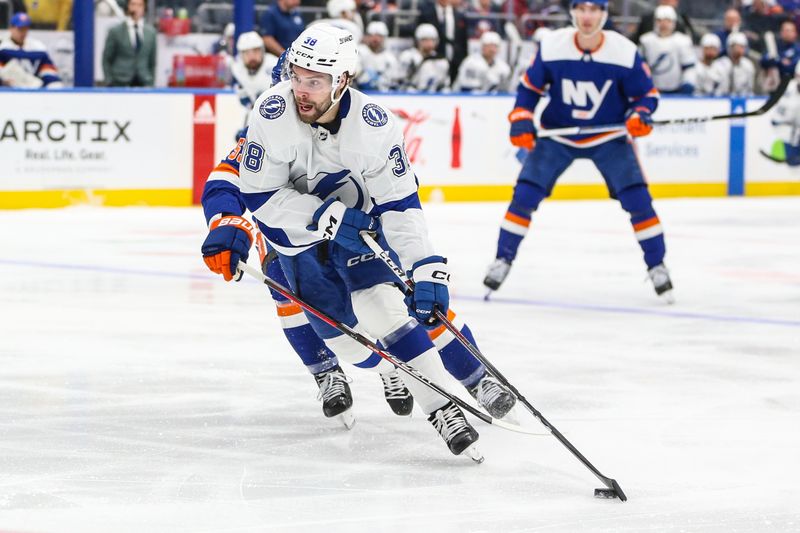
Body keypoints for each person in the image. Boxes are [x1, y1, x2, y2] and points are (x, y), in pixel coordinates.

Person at [201, 23, 514, 458]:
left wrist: (425, 263)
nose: (298, 93)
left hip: (357, 229)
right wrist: (226, 222)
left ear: (341, 81)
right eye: (293, 79)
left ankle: (456, 394)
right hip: (296, 244)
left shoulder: (373, 127)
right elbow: (244, 189)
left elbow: (401, 202)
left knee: (390, 305)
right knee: (343, 337)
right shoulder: (270, 119)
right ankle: (382, 366)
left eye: (313, 81)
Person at [483, 0, 674, 303]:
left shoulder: (623, 50)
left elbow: (646, 94)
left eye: (594, 10)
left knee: (638, 200)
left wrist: (640, 113)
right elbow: (529, 89)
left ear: (604, 13)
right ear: (572, 12)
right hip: (557, 134)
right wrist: (521, 117)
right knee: (524, 196)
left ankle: (657, 265)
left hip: (608, 135)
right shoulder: (553, 46)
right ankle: (502, 259)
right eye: (581, 9)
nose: (587, 17)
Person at [230, 31, 279, 136]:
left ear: (262, 51)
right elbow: (243, 95)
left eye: (255, 51)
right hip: (256, 117)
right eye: (246, 52)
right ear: (240, 55)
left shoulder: (275, 65)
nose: (252, 56)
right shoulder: (237, 68)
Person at [639, 5, 696, 94]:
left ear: (674, 22)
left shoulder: (683, 41)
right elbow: (641, 67)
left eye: (668, 21)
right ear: (655, 22)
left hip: (677, 90)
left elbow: (689, 67)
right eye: (660, 20)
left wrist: (688, 83)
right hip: (651, 89)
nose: (663, 24)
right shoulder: (646, 40)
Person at [101, 0, 157, 87]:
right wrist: (109, 81)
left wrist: (151, 81)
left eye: (140, 5)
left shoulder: (151, 33)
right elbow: (106, 59)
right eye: (133, 4)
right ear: (128, 6)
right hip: (119, 83)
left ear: (144, 7)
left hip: (144, 83)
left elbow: (152, 62)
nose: (136, 8)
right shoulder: (115, 31)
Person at [0, 12, 63, 88]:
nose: (23, 33)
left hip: (35, 91)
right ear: (11, 29)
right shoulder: (3, 48)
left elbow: (48, 71)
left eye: (25, 29)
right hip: (9, 92)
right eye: (20, 29)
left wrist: (51, 84)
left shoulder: (38, 47)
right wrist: (2, 81)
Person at [418, 0, 469, 82]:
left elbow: (463, 40)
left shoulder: (459, 15)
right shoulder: (427, 14)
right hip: (435, 60)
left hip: (455, 59)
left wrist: (463, 57)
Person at [398, 23, 451, 92]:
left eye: (432, 40)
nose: (429, 43)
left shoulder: (441, 61)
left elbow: (444, 84)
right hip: (411, 96)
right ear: (418, 41)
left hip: (433, 97)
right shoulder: (408, 57)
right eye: (425, 40)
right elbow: (399, 81)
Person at [356, 21, 400, 92]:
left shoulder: (390, 58)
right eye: (372, 35)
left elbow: (394, 82)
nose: (375, 39)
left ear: (385, 38)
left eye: (379, 36)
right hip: (360, 92)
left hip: (383, 96)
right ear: (367, 37)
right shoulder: (359, 52)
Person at [711, 32, 756, 97]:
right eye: (736, 46)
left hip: (741, 98)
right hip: (720, 99)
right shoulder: (719, 64)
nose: (739, 50)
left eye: (742, 47)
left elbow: (749, 89)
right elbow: (714, 87)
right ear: (729, 47)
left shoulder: (748, 65)